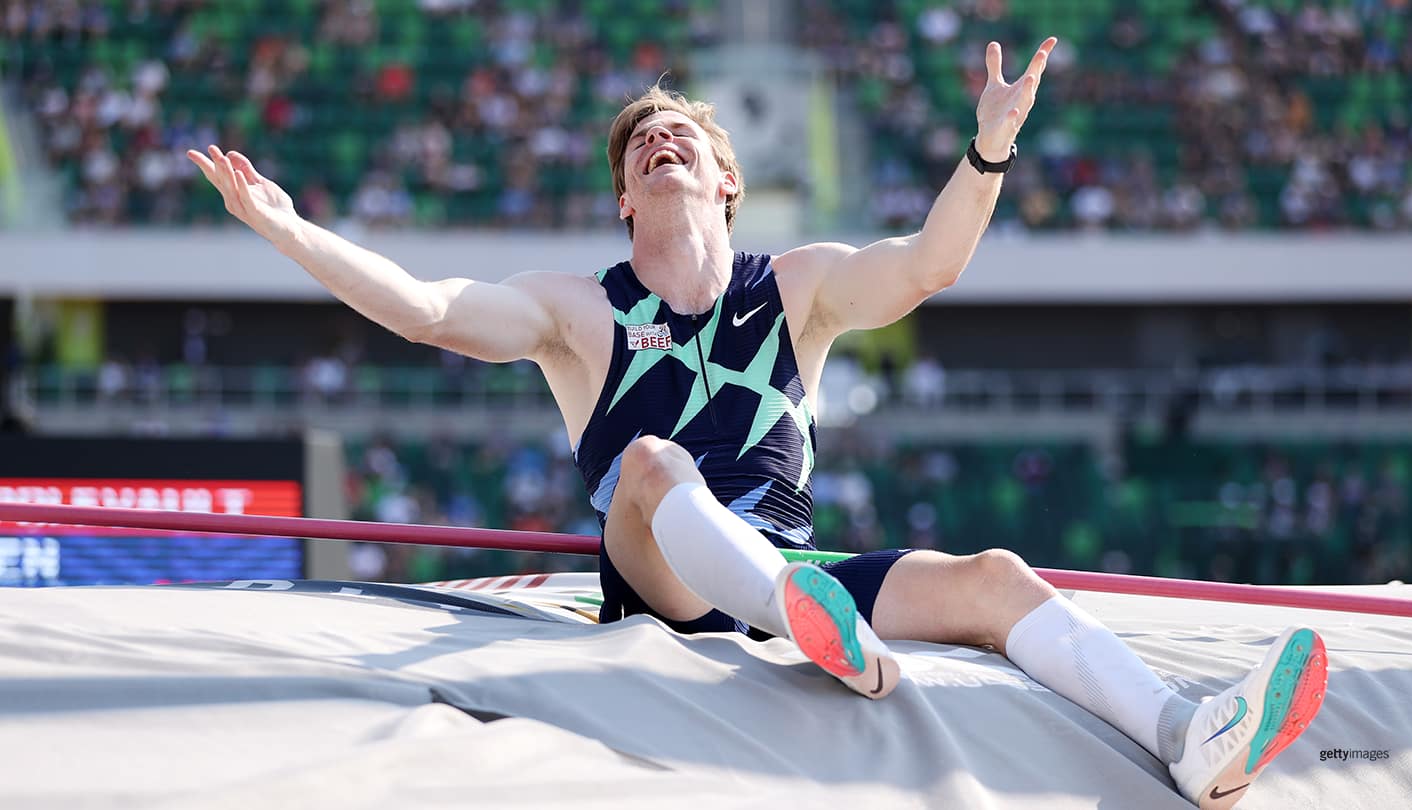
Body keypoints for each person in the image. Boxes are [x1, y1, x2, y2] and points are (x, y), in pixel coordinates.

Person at [187, 38, 1327, 809]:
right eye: (640, 145)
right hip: (668, 584)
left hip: (793, 568)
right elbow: (429, 311)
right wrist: (290, 229)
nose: (658, 142)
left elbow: (928, 265)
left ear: (725, 180)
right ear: (624, 198)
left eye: (680, 134)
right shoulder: (578, 311)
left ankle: (1190, 737)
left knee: (992, 573)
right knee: (648, 458)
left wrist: (989, 147)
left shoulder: (798, 287)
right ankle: (797, 615)